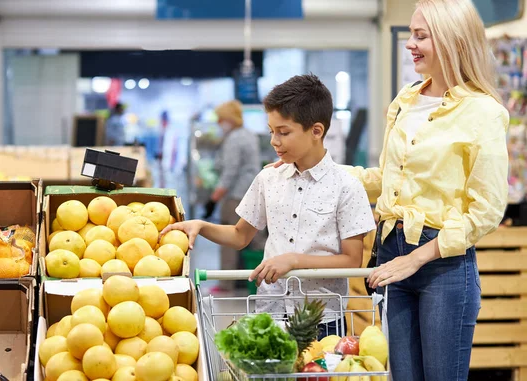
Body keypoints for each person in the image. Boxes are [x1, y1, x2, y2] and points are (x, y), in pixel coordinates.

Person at [350, 1, 509, 379]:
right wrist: (315, 168)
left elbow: (487, 209)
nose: (410, 44)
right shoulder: (405, 101)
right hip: (392, 253)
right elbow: (388, 176)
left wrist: (418, 257)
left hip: (444, 265)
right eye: (410, 34)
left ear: (452, 41)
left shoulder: (483, 112)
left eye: (421, 36)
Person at [161, 74, 375, 336]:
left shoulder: (347, 186)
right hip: (269, 313)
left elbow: (352, 261)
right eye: (272, 131)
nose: (274, 141)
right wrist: (201, 225)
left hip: (322, 320)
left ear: (316, 131)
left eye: (284, 132)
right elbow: (240, 235)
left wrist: (293, 261)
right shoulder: (268, 178)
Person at [206, 100, 261, 292]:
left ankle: (226, 283)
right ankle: (252, 281)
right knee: (255, 239)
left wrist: (213, 199)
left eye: (221, 119)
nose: (220, 122)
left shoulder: (234, 139)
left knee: (230, 238)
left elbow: (230, 172)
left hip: (236, 196)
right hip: (251, 192)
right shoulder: (249, 134)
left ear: (229, 119)